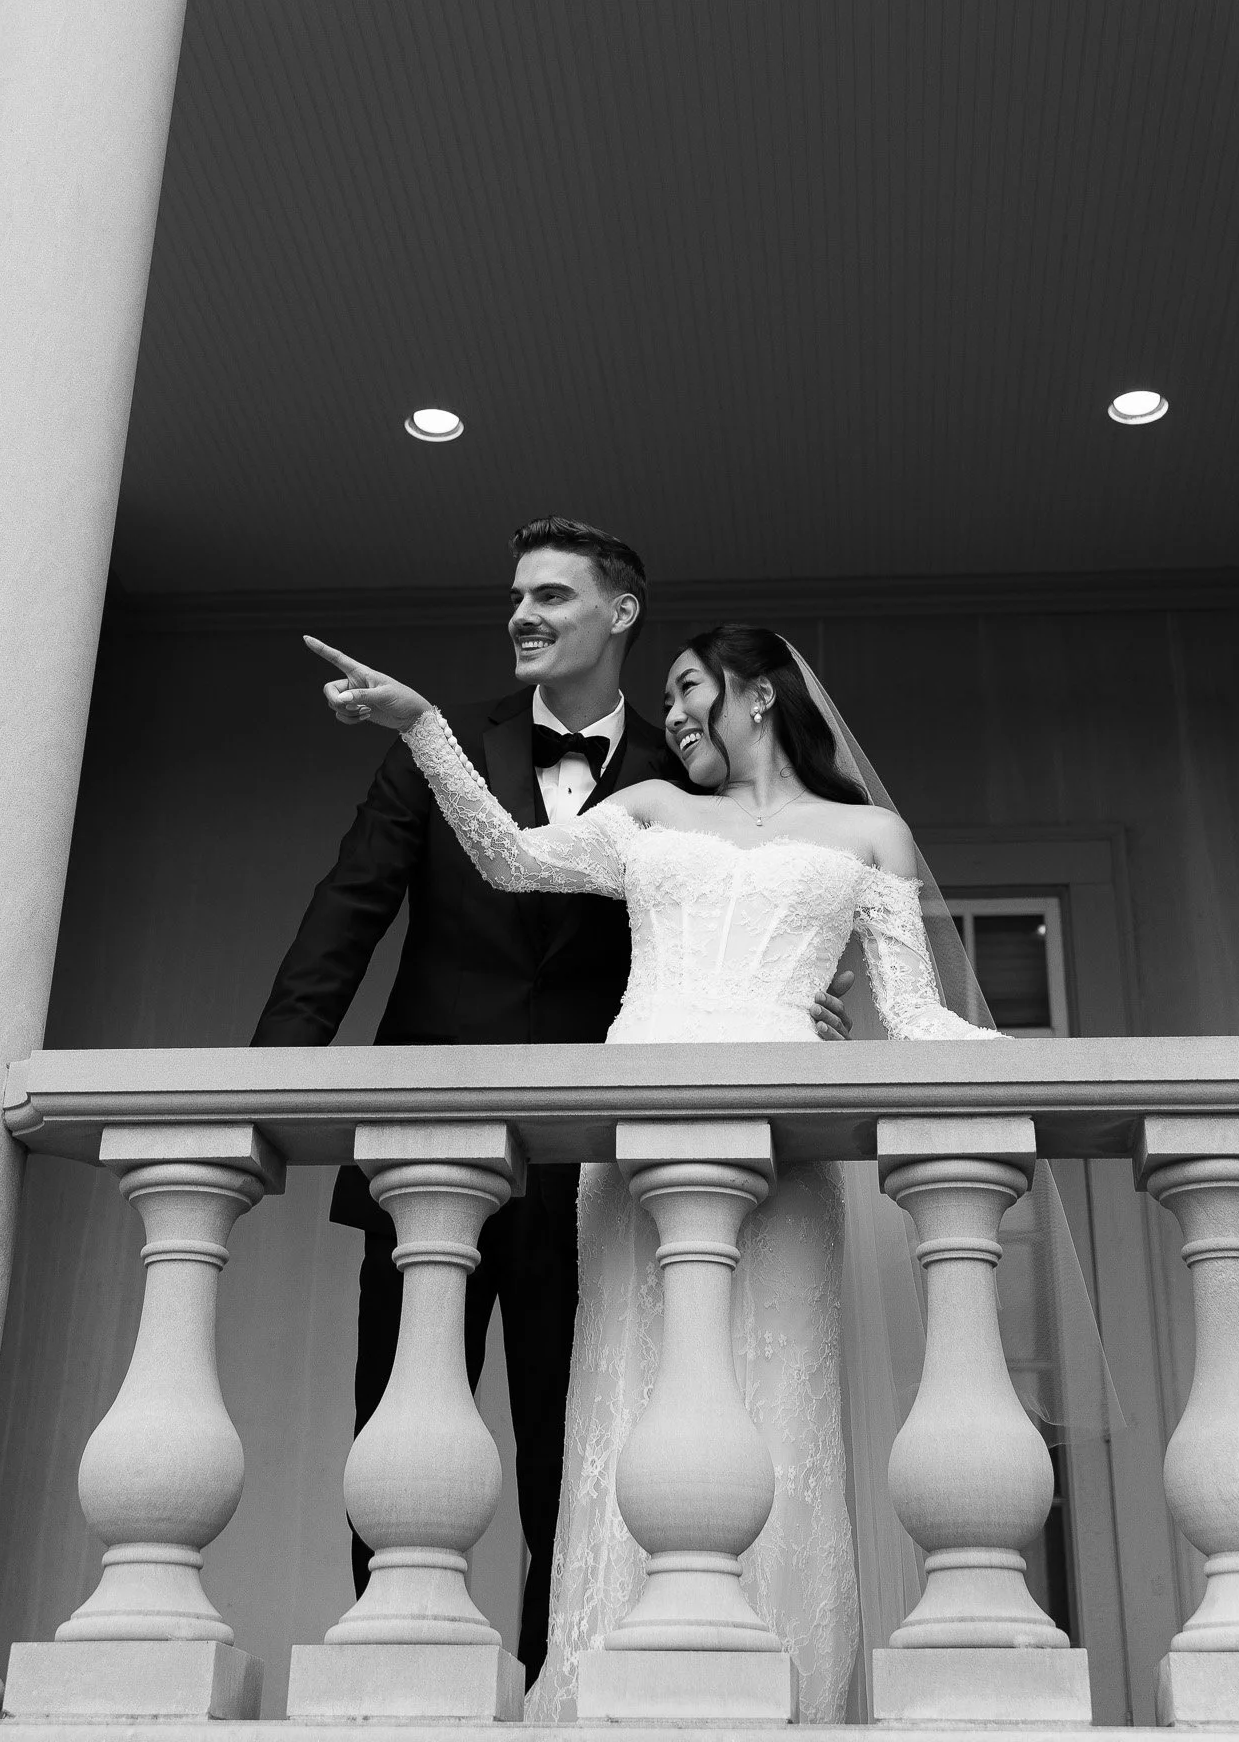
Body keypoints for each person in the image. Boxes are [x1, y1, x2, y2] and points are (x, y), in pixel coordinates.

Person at [303, 619, 1002, 1721]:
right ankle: (601, 1690)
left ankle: (777, 1691)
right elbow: (510, 857)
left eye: (688, 689)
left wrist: (1031, 1059)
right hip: (635, 1162)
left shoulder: (873, 836)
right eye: (667, 699)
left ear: (759, 693)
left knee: (776, 1407)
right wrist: (425, 725)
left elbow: (915, 1018)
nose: (669, 715)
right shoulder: (651, 811)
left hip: (782, 1161)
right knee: (624, 1405)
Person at [254, 523, 854, 1683]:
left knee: (570, 1451)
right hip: (426, 1150)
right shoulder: (441, 745)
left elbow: (737, 922)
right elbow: (347, 910)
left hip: (597, 1166)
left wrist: (798, 1010)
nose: (522, 613)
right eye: (516, 595)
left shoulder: (687, 778)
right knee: (395, 1426)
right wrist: (271, 1077)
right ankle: (390, 1688)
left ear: (620, 613)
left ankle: (547, 1690)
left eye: (551, 594)